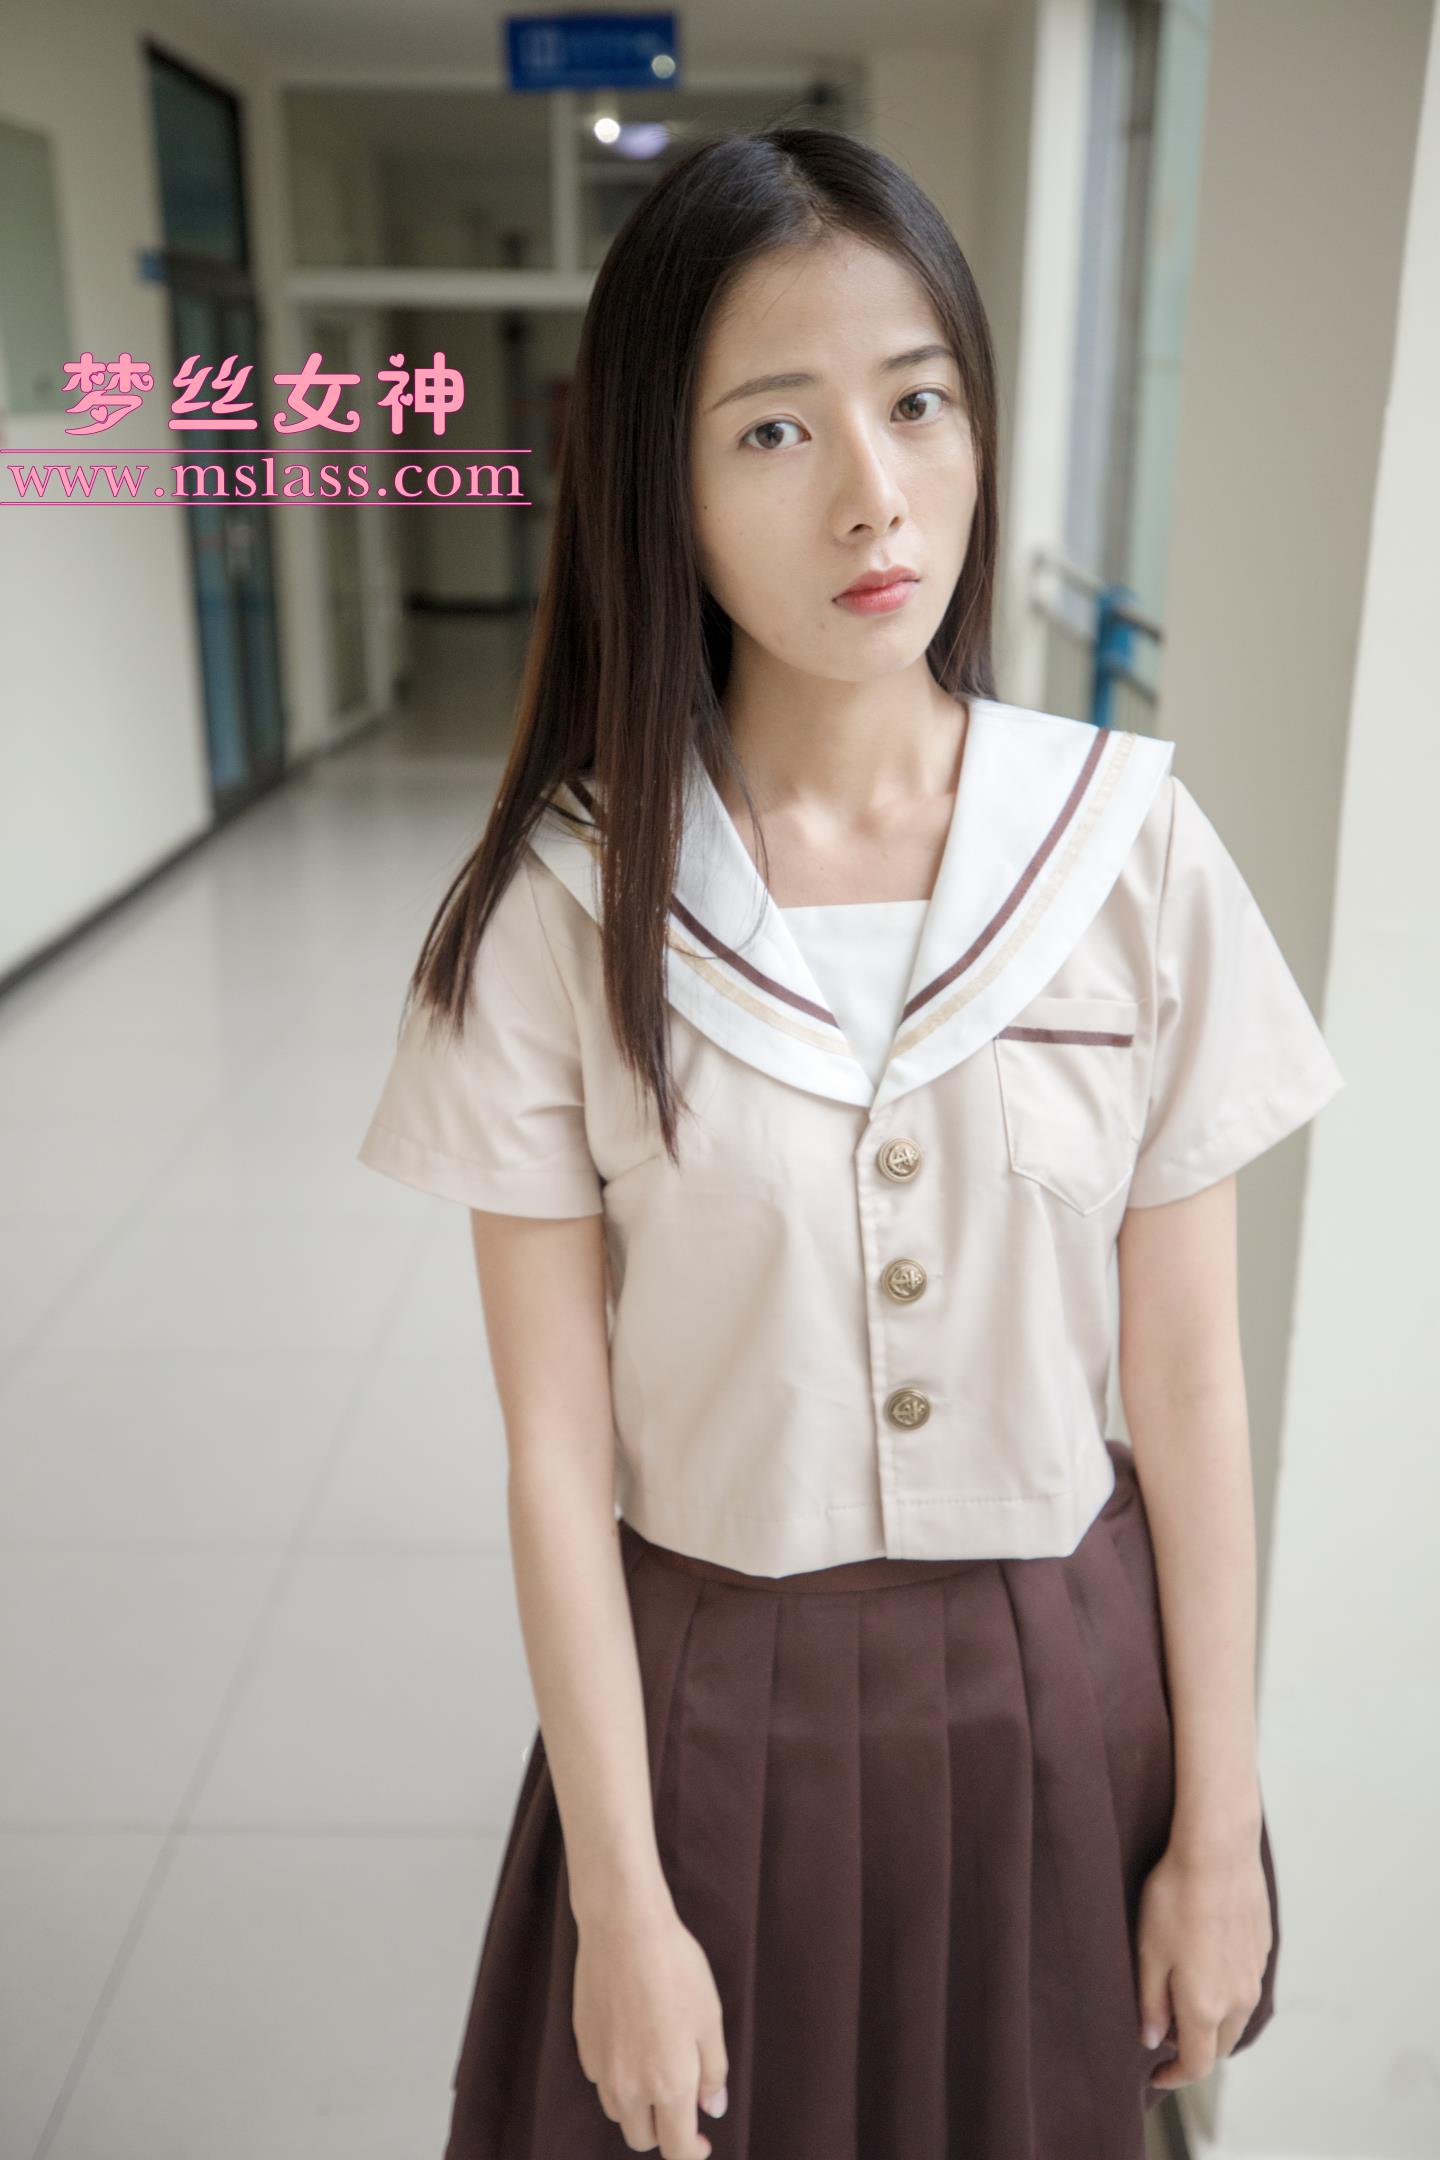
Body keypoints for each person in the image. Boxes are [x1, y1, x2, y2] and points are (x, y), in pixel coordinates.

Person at [355, 126, 1344, 2160]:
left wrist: (1218, 1823)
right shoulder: (564, 904)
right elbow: (552, 1458)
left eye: (916, 402)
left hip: (1062, 1702)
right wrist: (621, 1905)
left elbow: (1187, 1386)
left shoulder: (1127, 848)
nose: (874, 494)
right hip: (713, 1719)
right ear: (662, 486)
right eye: (774, 431)